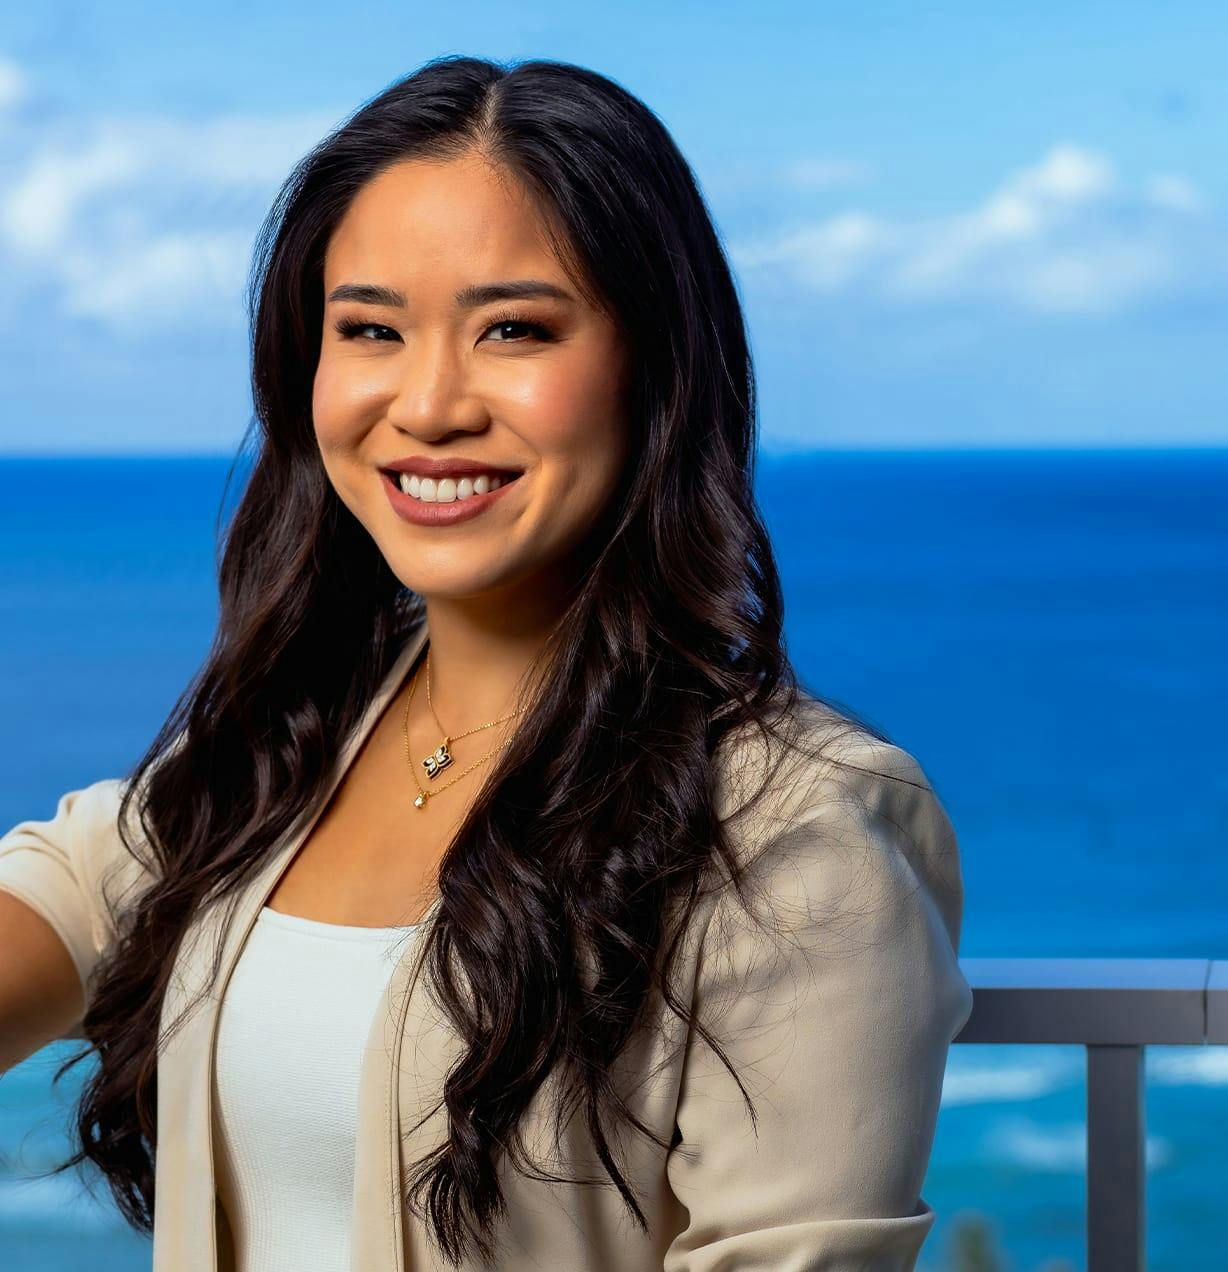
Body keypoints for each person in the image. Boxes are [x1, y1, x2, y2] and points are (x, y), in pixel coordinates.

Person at [0, 53, 973, 1272]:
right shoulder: (294, 742)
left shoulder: (794, 828)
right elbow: (78, 882)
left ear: (656, 367)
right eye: (370, 330)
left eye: (513, 328)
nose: (428, 404)